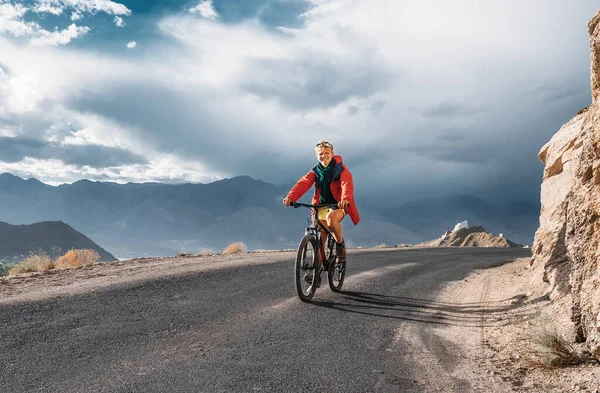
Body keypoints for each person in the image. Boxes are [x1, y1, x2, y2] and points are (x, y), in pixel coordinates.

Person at [283, 139, 360, 269]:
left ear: (332, 153)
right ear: (316, 156)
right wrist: (291, 197)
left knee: (331, 219)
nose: (323, 156)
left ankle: (340, 247)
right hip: (321, 206)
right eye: (320, 153)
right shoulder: (316, 171)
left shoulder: (341, 169)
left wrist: (345, 199)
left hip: (339, 205)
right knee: (320, 238)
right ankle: (316, 277)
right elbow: (303, 183)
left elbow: (346, 184)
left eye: (326, 152)